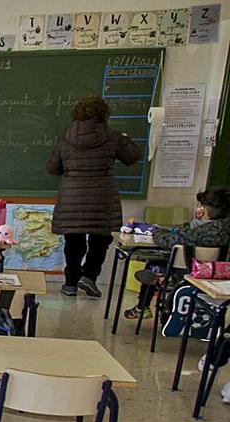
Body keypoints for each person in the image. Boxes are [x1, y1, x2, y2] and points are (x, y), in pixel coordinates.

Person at [47, 95, 143, 297]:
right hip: (102, 197)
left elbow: (53, 168)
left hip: (72, 197)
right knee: (101, 239)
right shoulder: (114, 137)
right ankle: (89, 277)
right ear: (104, 115)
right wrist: (126, 140)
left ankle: (70, 284)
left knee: (74, 241)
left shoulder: (65, 139)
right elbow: (133, 157)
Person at [125, 186, 230, 320]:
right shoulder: (223, 228)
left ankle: (143, 306)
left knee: (153, 265)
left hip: (189, 272)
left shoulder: (200, 232)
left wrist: (156, 231)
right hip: (221, 276)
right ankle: (158, 281)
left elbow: (168, 240)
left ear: (203, 210)